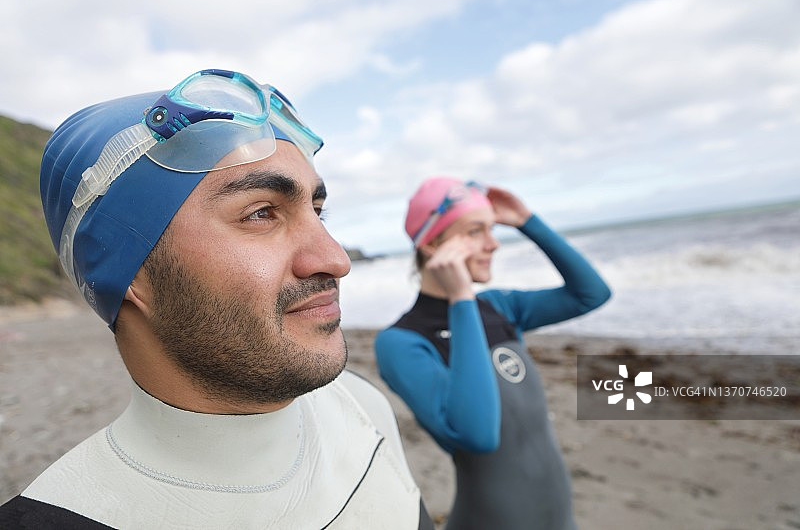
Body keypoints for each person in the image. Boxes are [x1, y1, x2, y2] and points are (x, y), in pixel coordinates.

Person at [0, 69, 432, 529]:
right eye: (261, 213)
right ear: (127, 272)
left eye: (319, 211)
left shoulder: (362, 404)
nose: (336, 258)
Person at [374, 177, 612, 529]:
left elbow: (590, 294)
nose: (494, 244)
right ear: (431, 244)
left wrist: (526, 220)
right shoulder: (402, 342)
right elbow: (478, 435)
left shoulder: (499, 306)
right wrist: (461, 300)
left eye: (492, 229)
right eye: (475, 231)